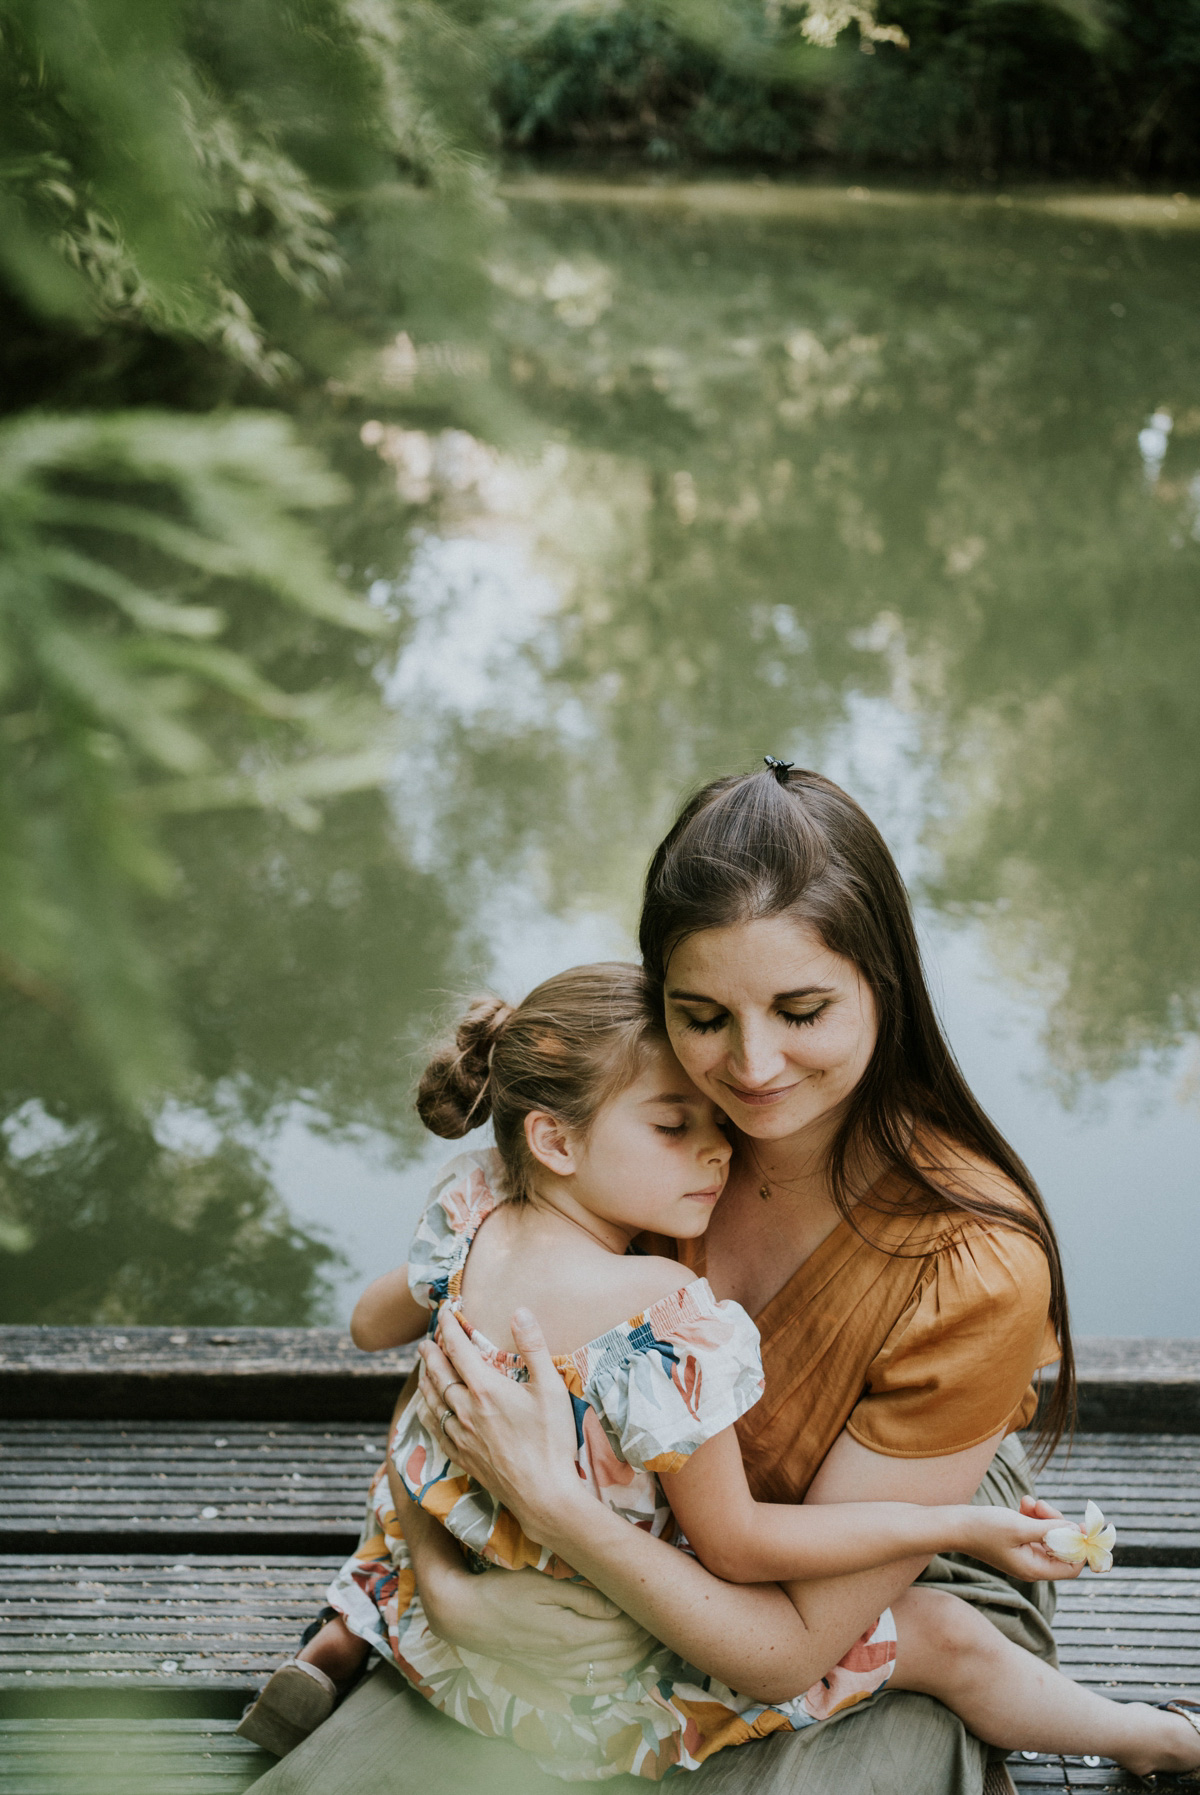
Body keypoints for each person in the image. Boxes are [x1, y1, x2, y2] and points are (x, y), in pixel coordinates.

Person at [243, 765, 1197, 1795]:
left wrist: (559, 1512)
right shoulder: (640, 1137)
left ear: (886, 985)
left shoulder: (970, 1268)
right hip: (618, 1550)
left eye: (803, 1010)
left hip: (860, 1567)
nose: (749, 1069)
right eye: (703, 1016)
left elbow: (785, 1641)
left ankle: (1146, 1736)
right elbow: (461, 1362)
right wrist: (449, 1592)